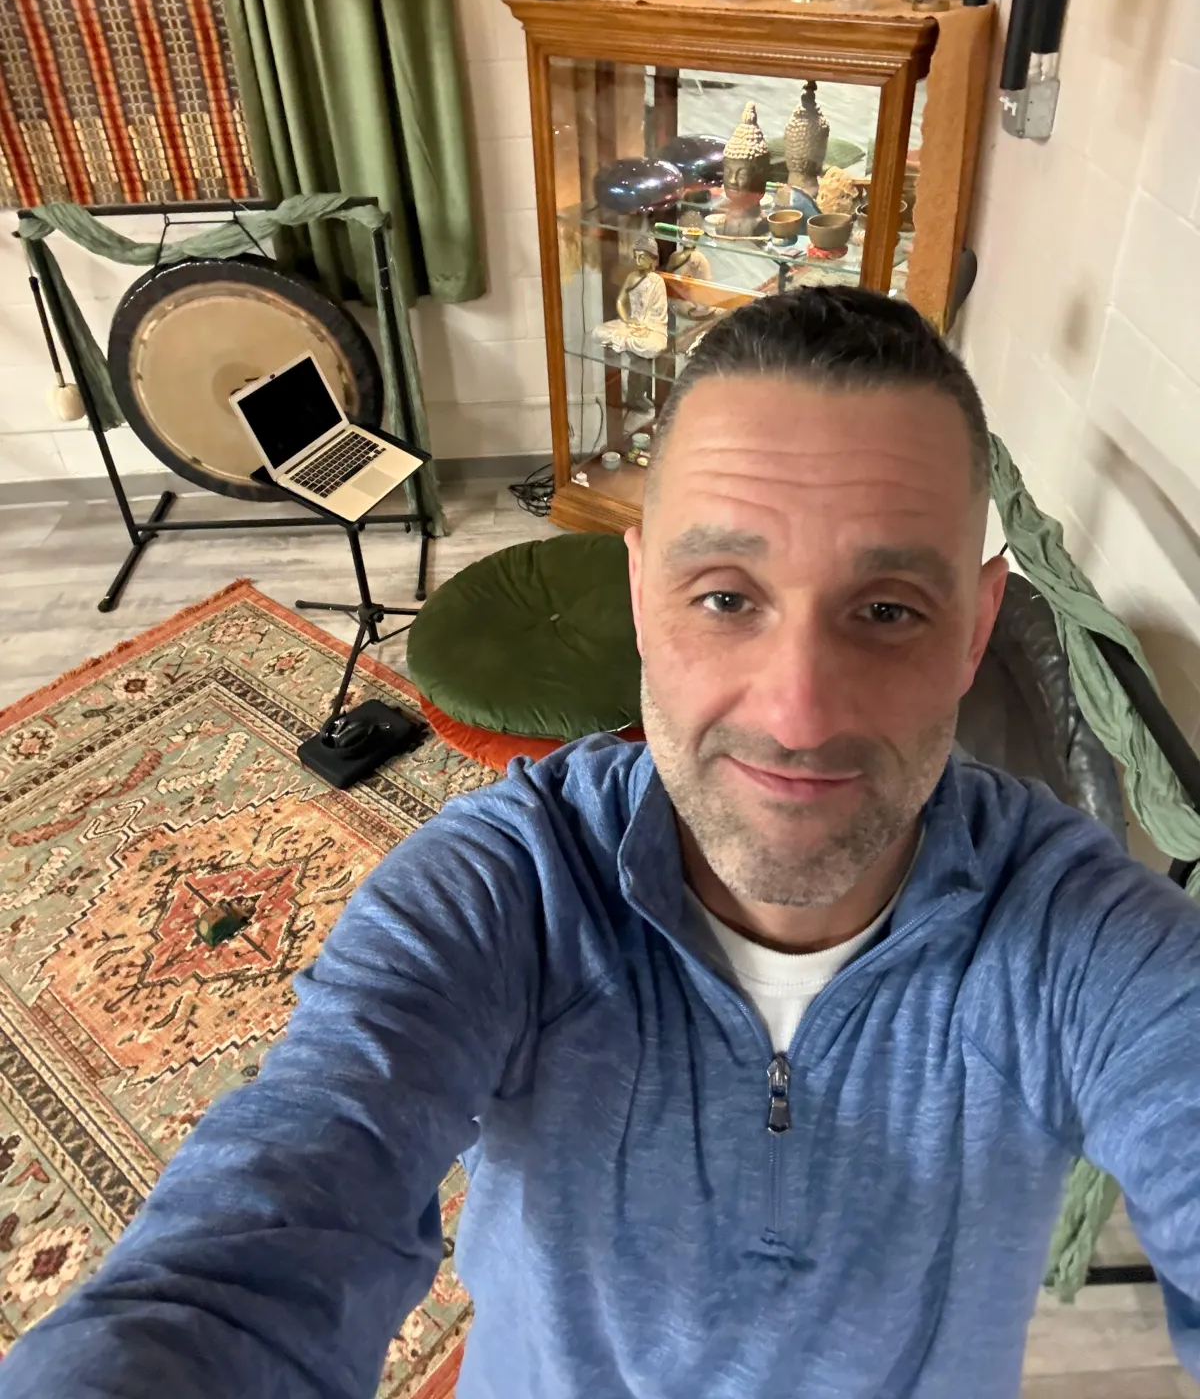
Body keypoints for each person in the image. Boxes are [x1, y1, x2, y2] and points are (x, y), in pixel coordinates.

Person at [3, 287, 1199, 1399]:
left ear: (975, 628)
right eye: (725, 596)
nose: (796, 712)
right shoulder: (504, 891)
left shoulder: (1081, 937)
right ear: (639, 597)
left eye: (887, 610)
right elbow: (254, 1245)